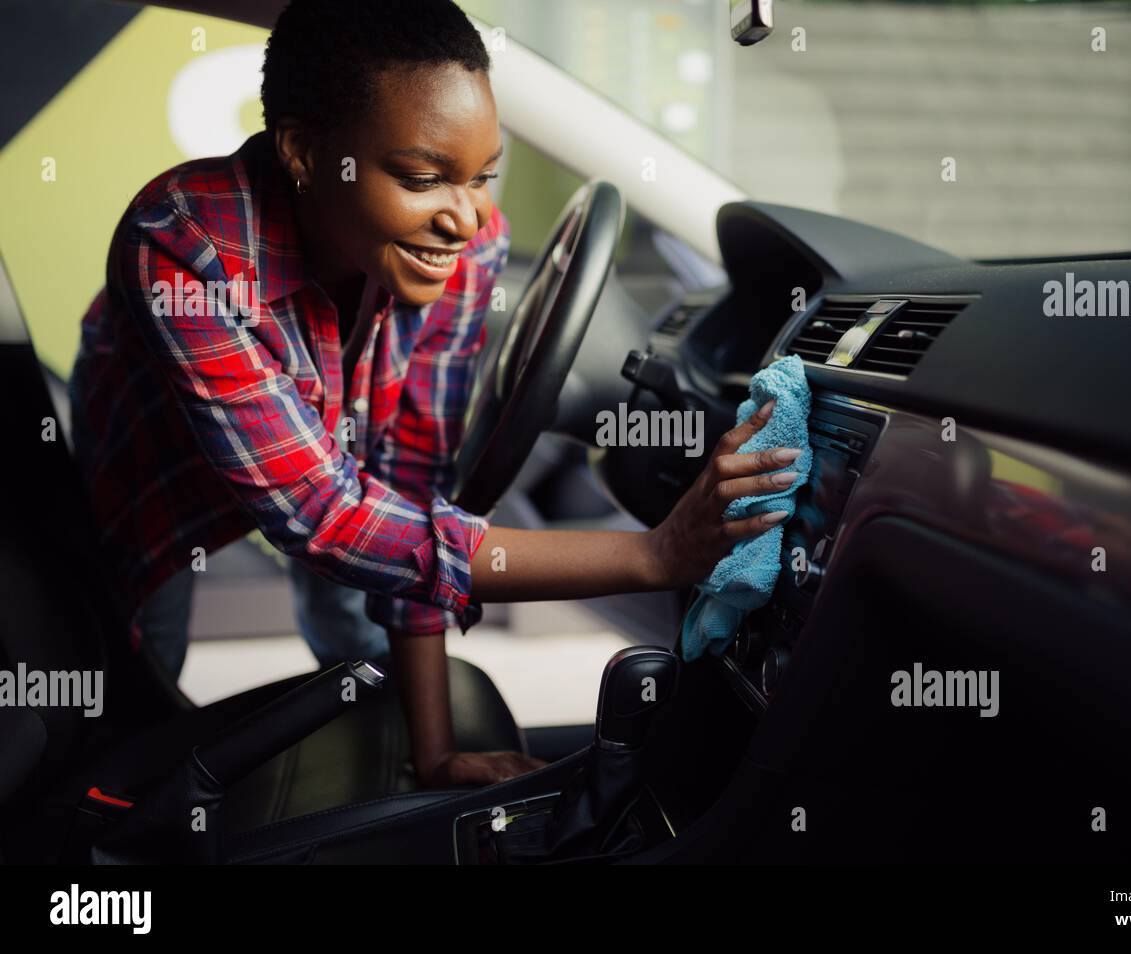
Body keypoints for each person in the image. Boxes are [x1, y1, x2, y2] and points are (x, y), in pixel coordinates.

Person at [67, 0, 796, 789]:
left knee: (356, 622)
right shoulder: (182, 246)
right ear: (305, 152)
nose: (467, 217)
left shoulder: (467, 245)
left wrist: (436, 750)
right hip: (163, 474)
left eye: (483, 175)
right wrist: (657, 554)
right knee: (140, 680)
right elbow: (325, 516)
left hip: (335, 479)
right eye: (423, 178)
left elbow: (409, 484)